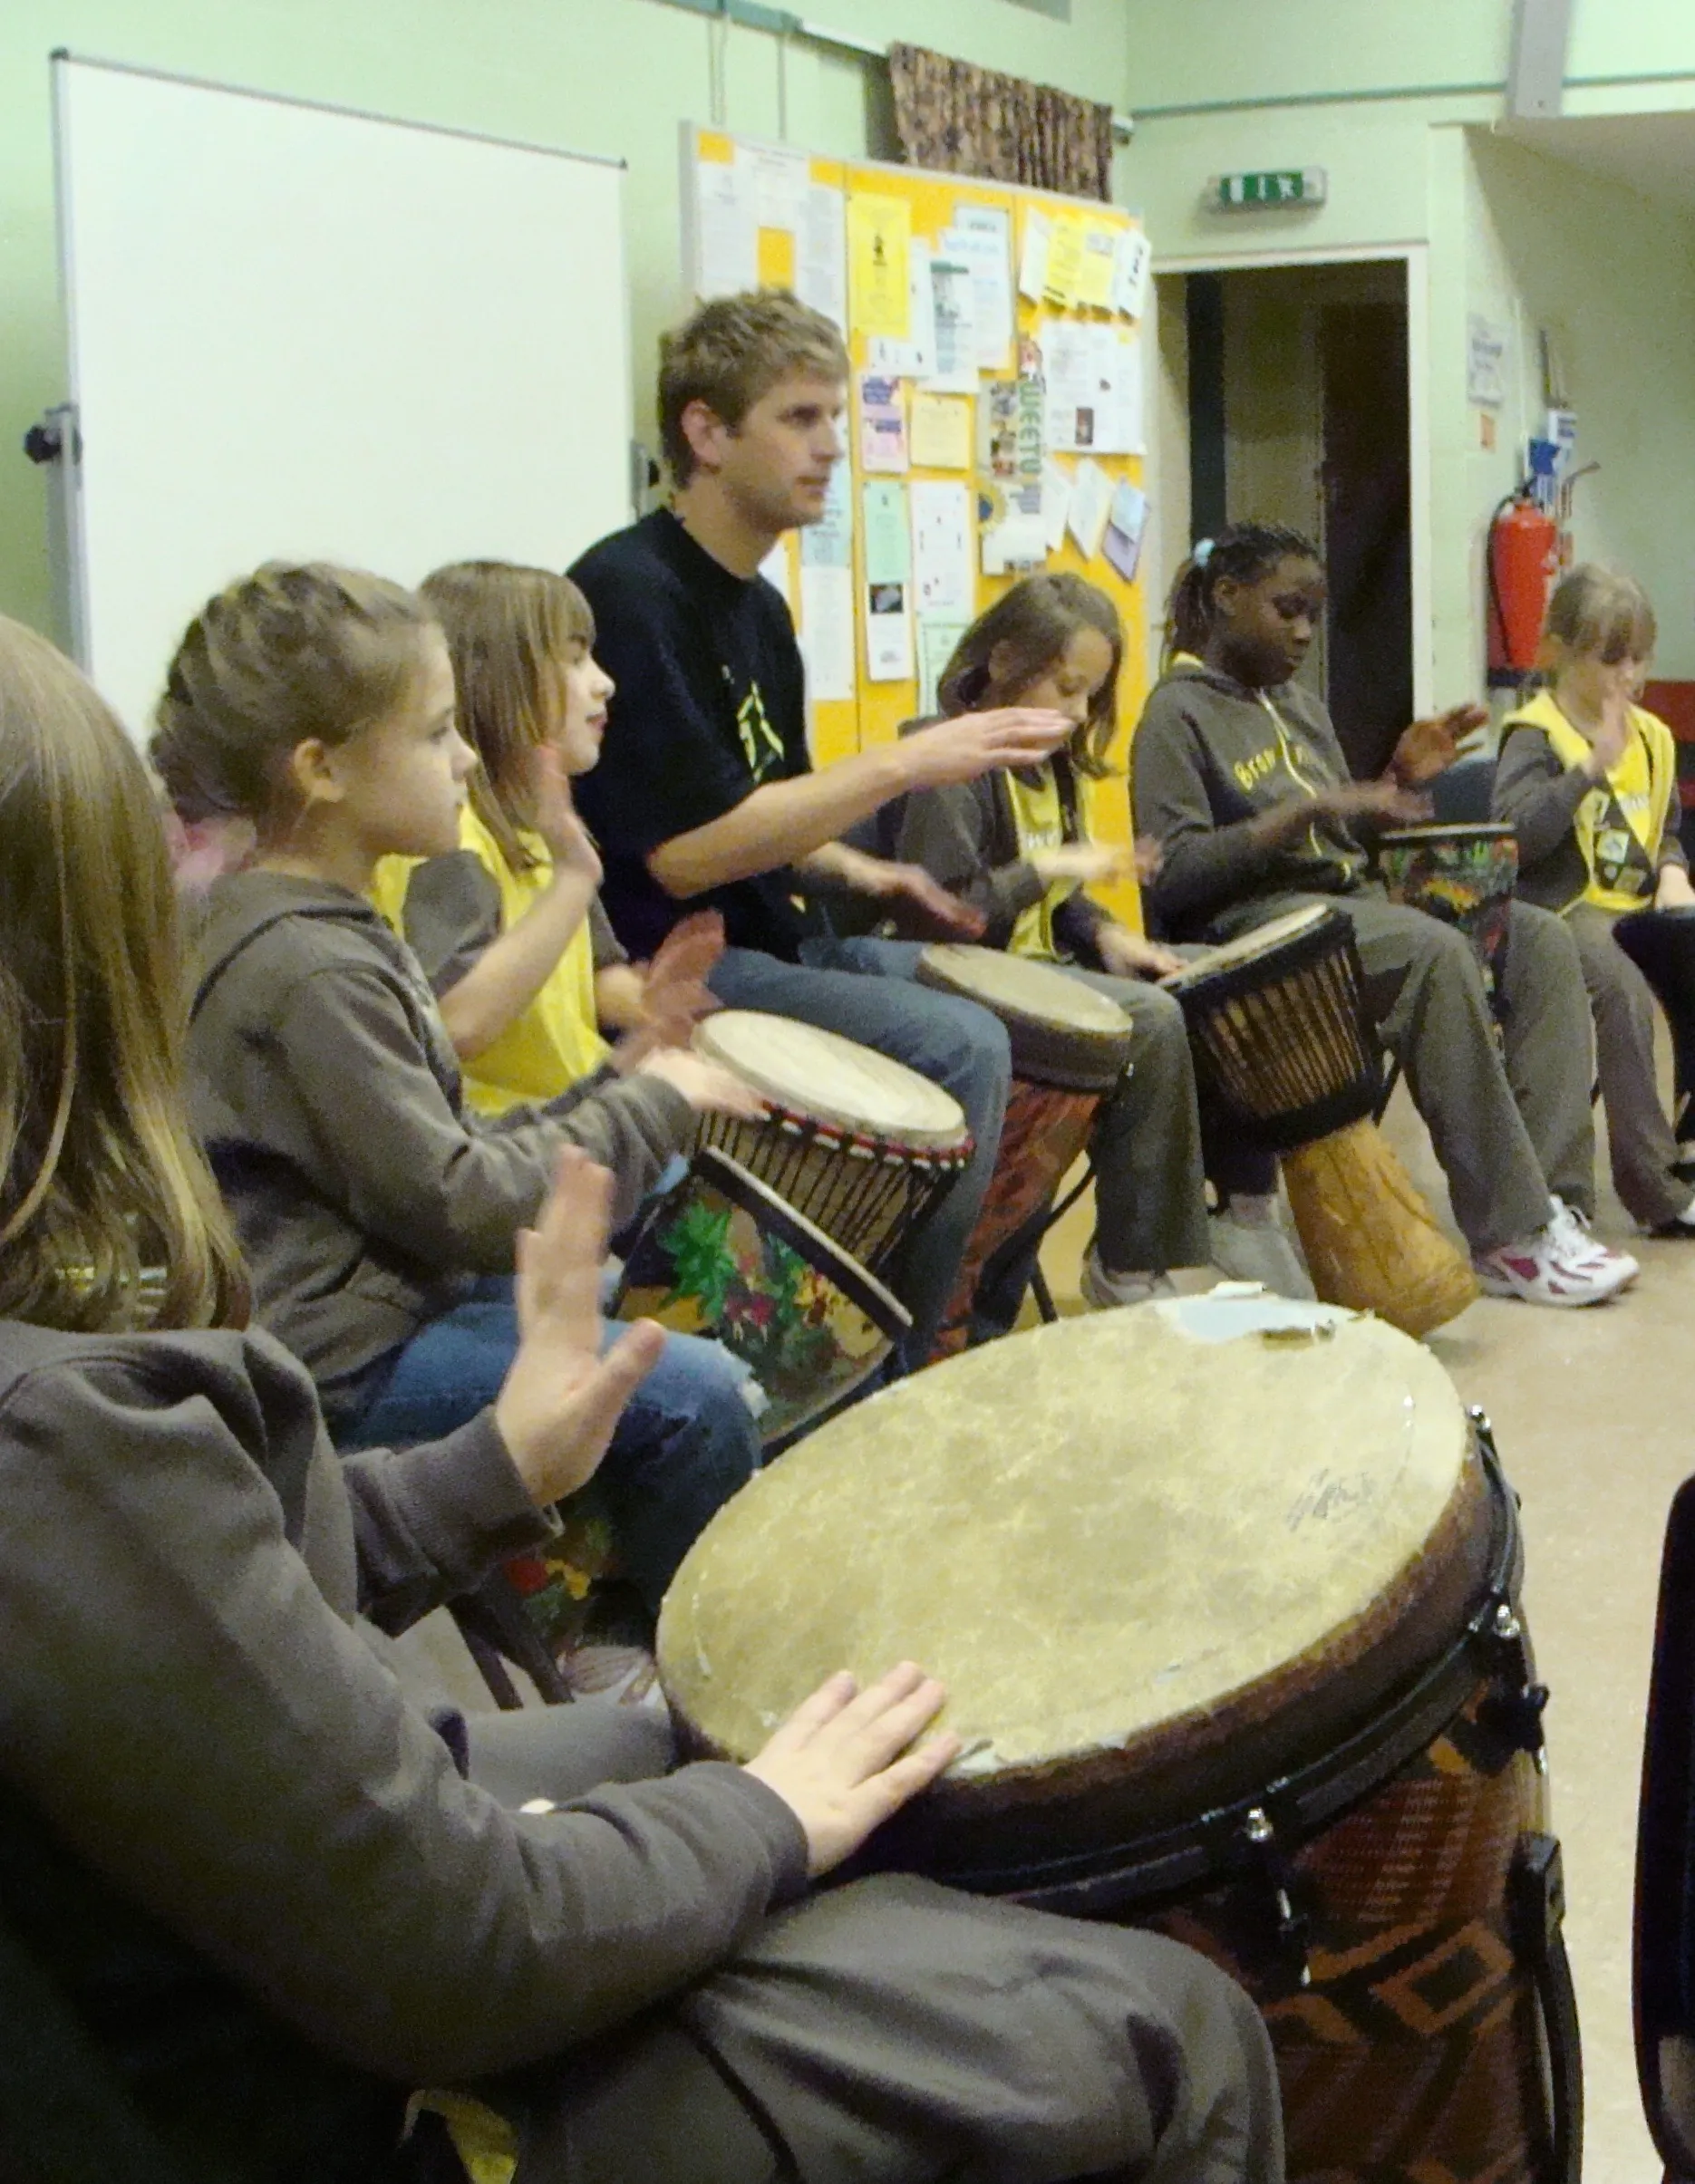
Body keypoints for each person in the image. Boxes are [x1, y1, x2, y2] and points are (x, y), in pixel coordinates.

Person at [0, 607, 1285, 2184]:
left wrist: (499, 1466)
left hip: (215, 1938)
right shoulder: (59, 1429)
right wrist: (765, 1812)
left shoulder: (80, 1423)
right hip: (313, 2088)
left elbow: (211, 1596)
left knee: (720, 1713)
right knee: (1165, 2023)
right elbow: (464, 1943)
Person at [152, 562, 767, 1617]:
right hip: (335, 1368)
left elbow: (438, 1147)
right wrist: (651, 1099)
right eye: (436, 734)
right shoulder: (308, 969)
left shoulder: (314, 925)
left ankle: (576, 1584)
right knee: (699, 1398)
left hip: (378, 1299)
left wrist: (622, 1087)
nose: (466, 757)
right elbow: (462, 1201)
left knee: (618, 1285)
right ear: (321, 770)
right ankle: (648, 1654)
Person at [568, 290, 1080, 1360]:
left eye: (835, 419)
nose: (832, 448)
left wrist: (873, 873)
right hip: (683, 960)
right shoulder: (631, 591)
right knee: (965, 1044)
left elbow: (780, 813)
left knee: (1081, 1025)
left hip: (780, 932)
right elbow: (688, 848)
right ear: (706, 433)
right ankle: (897, 1360)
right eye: (799, 419)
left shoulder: (758, 609)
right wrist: (903, 759)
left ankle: (976, 1318)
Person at [1132, 522, 1637, 1309]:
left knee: (1533, 934)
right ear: (1226, 598)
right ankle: (1510, 1233)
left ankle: (1551, 1202)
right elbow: (1177, 876)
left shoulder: (1298, 704)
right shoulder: (1175, 714)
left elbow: (1336, 829)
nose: (1304, 631)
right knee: (1433, 951)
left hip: (1347, 903)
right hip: (1258, 928)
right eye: (1285, 609)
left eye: (1312, 613)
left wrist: (1392, 779)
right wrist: (1307, 810)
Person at [896, 571, 1310, 1303]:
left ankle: (1246, 1210)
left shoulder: (1052, 768)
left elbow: (1058, 905)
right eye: (1064, 687)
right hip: (961, 988)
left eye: (1091, 695)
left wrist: (1106, 931)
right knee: (1151, 1021)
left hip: (1035, 974)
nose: (1077, 712)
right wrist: (1048, 866)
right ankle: (1133, 1264)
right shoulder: (946, 757)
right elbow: (947, 917)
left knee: (1210, 978)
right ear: (1002, 662)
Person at [368, 560, 723, 1116]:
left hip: (574, 1114)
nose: (604, 681)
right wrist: (575, 879)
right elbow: (457, 1022)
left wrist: (661, 1007)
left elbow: (594, 981)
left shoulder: (540, 827)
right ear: (501, 681)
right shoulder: (451, 842)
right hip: (508, 1146)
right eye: (575, 658)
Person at [1494, 564, 1695, 1235]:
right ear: (1562, 652)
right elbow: (1515, 838)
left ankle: (1687, 1154)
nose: (1629, 677)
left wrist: (1673, 870)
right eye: (1612, 660)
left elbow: (1662, 831)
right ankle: (1647, 1187)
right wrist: (1586, 771)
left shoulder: (1657, 738)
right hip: (1564, 913)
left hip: (1642, 909)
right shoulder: (1536, 732)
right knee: (1622, 988)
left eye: (1639, 659)